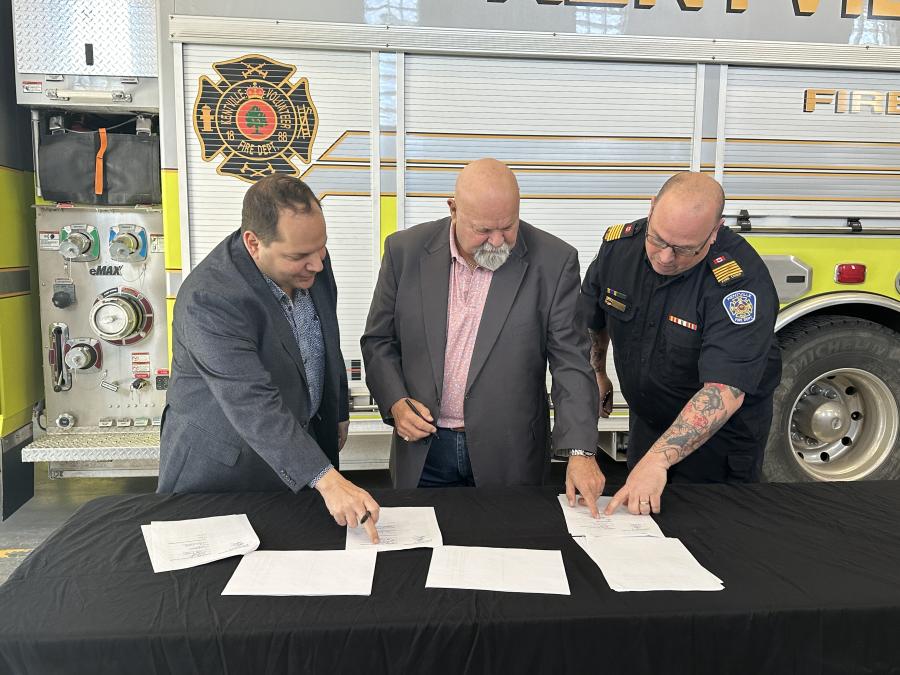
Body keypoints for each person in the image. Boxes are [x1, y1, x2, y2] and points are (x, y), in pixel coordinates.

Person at [361, 159, 606, 514]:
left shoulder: (554, 262)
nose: (497, 242)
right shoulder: (405, 251)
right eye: (484, 230)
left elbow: (571, 362)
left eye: (508, 227)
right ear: (453, 209)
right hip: (424, 451)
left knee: (511, 543)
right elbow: (378, 341)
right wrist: (396, 402)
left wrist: (581, 451)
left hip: (510, 454)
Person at [158, 174, 379, 542]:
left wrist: (337, 411)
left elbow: (327, 337)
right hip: (225, 473)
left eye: (321, 248)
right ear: (253, 243)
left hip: (298, 455)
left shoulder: (310, 262)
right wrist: (326, 479)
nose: (317, 265)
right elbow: (250, 401)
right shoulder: (210, 298)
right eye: (299, 256)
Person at [579, 172, 782, 516]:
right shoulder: (619, 248)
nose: (665, 257)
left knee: (709, 529)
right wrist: (598, 371)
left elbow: (724, 390)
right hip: (648, 422)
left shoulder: (739, 283)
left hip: (718, 442)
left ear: (714, 231)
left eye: (685, 249)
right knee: (642, 523)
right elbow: (594, 317)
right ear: (651, 208)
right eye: (658, 240)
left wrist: (657, 461)